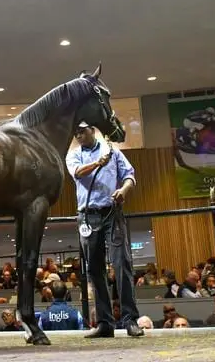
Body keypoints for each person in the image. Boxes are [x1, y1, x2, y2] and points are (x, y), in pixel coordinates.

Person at [67, 121, 143, 338]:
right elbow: (78, 173)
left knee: (123, 264)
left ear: (93, 130)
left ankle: (130, 320)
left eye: (82, 131)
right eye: (76, 133)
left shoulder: (113, 151)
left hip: (112, 212)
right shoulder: (73, 154)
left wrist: (124, 190)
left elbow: (130, 175)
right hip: (87, 216)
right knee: (94, 269)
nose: (79, 136)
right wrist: (99, 163)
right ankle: (105, 323)